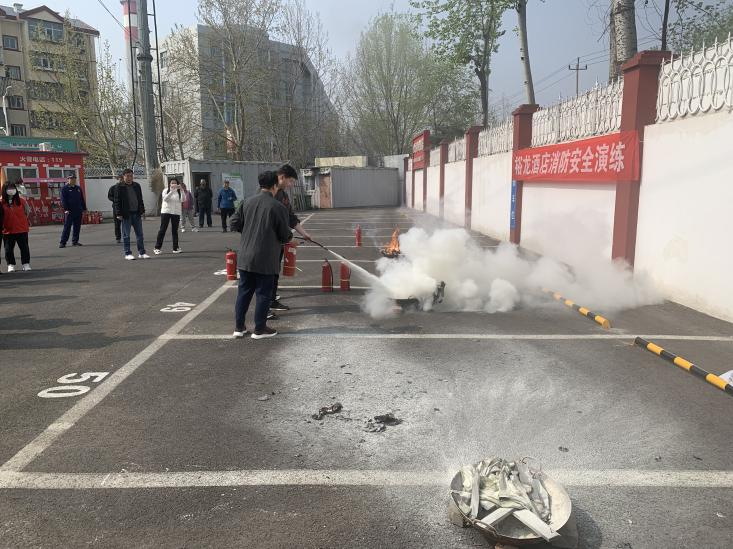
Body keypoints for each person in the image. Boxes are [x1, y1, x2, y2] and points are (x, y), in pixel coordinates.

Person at [232, 170, 292, 340]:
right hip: (265, 258)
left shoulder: (247, 202)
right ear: (275, 185)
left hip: (245, 256)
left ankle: (239, 327)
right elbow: (285, 235)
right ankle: (259, 328)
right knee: (263, 293)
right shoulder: (278, 207)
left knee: (243, 292)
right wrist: (290, 238)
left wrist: (249, 230)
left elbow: (234, 223)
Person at [269, 164, 312, 314]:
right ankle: (269, 301)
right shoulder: (270, 193)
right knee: (269, 272)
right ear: (282, 177)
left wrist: (304, 233)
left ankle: (271, 296)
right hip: (269, 243)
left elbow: (290, 217)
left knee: (275, 270)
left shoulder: (283, 195)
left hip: (278, 242)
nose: (291, 185)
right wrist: (288, 238)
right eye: (291, 181)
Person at [113, 168, 149, 260]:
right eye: (127, 176)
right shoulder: (119, 187)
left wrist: (142, 211)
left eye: (131, 176)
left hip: (136, 213)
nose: (129, 178)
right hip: (126, 214)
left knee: (140, 234)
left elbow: (140, 199)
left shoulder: (137, 185)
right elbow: (117, 201)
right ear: (123, 177)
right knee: (126, 235)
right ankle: (128, 253)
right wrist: (118, 213)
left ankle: (142, 252)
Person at [1, 181, 32, 272]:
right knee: (8, 249)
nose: (11, 190)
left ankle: (26, 264)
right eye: (9, 188)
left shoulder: (21, 201)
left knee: (24, 248)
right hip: (7, 230)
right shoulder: (1, 202)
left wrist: (21, 221)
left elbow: (27, 212)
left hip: (21, 229)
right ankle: (10, 264)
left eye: (13, 188)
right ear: (4, 190)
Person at [154, 178, 183, 255]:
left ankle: (175, 248)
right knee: (163, 229)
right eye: (172, 183)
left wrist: (182, 190)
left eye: (175, 183)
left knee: (175, 230)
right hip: (166, 212)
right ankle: (157, 248)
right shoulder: (165, 190)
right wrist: (172, 191)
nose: (173, 184)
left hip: (176, 212)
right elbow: (165, 199)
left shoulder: (179, 192)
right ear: (169, 184)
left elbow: (183, 200)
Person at [59, 173, 87, 248]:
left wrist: (84, 208)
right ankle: (63, 242)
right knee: (67, 227)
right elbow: (63, 200)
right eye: (71, 179)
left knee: (77, 227)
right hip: (69, 211)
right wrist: (66, 209)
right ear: (68, 179)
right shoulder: (64, 189)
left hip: (78, 210)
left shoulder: (78, 188)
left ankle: (75, 241)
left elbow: (81, 199)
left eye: (74, 178)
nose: (73, 180)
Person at [108, 175, 123, 243]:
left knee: (126, 224)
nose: (121, 180)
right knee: (117, 224)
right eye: (120, 179)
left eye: (122, 179)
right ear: (118, 179)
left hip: (125, 208)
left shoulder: (126, 187)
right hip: (116, 208)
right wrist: (116, 200)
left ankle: (126, 236)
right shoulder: (113, 188)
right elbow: (109, 196)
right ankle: (118, 238)